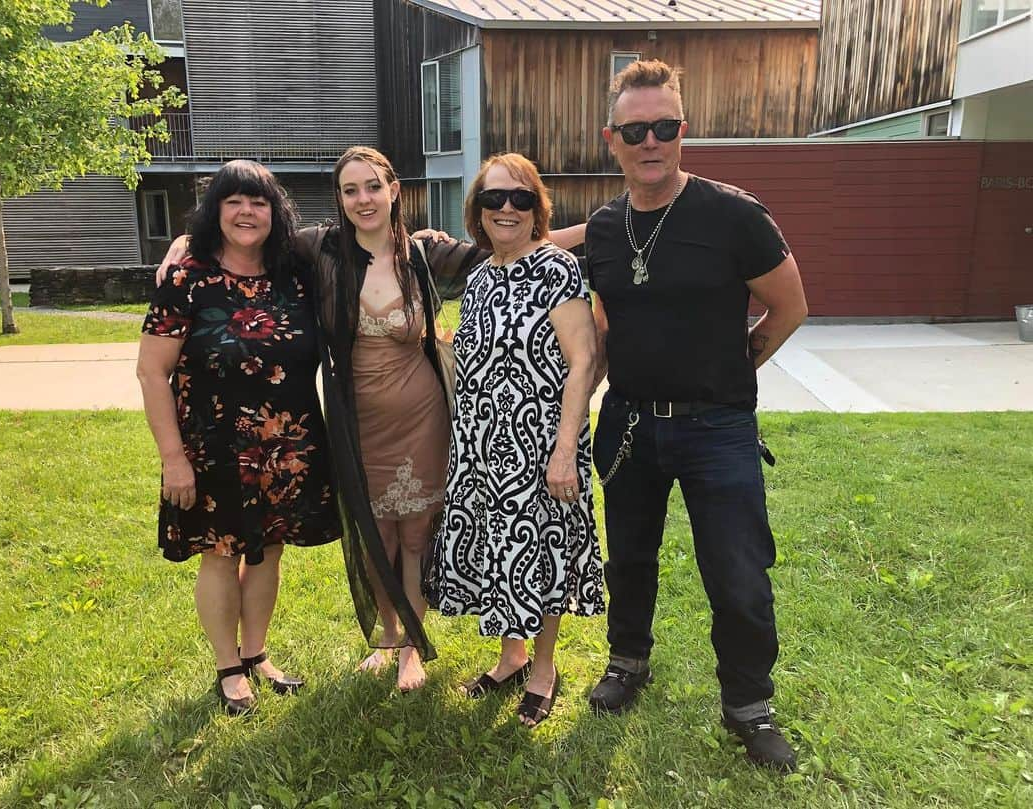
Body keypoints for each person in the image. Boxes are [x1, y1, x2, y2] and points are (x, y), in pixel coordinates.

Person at [159, 147, 586, 692]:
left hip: (423, 414)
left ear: (394, 191)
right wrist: (184, 242)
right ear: (340, 199)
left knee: (416, 534)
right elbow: (246, 235)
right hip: (356, 421)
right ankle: (387, 635)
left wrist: (592, 230)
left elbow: (514, 246)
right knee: (375, 535)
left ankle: (412, 645)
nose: (363, 199)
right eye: (350, 190)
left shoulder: (425, 253)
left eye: (372, 187)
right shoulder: (321, 250)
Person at [585, 60, 808, 771]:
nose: (651, 140)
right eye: (635, 129)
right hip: (627, 423)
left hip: (719, 427)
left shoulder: (733, 215)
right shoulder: (604, 227)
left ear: (684, 130)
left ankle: (749, 706)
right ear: (611, 138)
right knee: (630, 558)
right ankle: (627, 662)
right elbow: (545, 250)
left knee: (739, 572)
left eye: (665, 127)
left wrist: (740, 363)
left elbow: (791, 305)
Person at [137, 160, 341, 715]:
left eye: (259, 202)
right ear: (215, 212)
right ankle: (228, 668)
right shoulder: (188, 281)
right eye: (233, 202)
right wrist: (172, 459)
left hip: (286, 446)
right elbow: (152, 373)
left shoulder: (294, 275)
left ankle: (256, 655)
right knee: (221, 555)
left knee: (269, 551)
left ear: (276, 214)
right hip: (212, 450)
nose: (247, 212)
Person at [424, 153, 604, 727]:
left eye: (520, 198)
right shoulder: (477, 278)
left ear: (536, 209)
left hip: (541, 444)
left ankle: (545, 668)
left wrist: (565, 448)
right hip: (481, 445)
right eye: (494, 198)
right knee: (500, 551)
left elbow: (583, 362)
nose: (507, 208)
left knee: (543, 554)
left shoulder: (556, 270)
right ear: (477, 211)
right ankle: (511, 657)